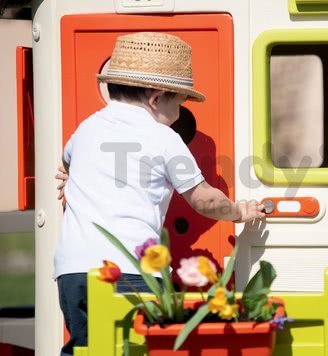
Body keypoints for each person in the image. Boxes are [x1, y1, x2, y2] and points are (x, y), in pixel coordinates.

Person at [54, 32, 265, 355]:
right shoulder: (162, 138)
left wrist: (68, 176)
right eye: (179, 103)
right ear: (156, 98)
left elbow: (67, 160)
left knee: (87, 347)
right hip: (129, 271)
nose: (180, 113)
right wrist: (240, 211)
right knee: (139, 348)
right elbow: (204, 199)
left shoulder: (86, 128)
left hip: (73, 270)